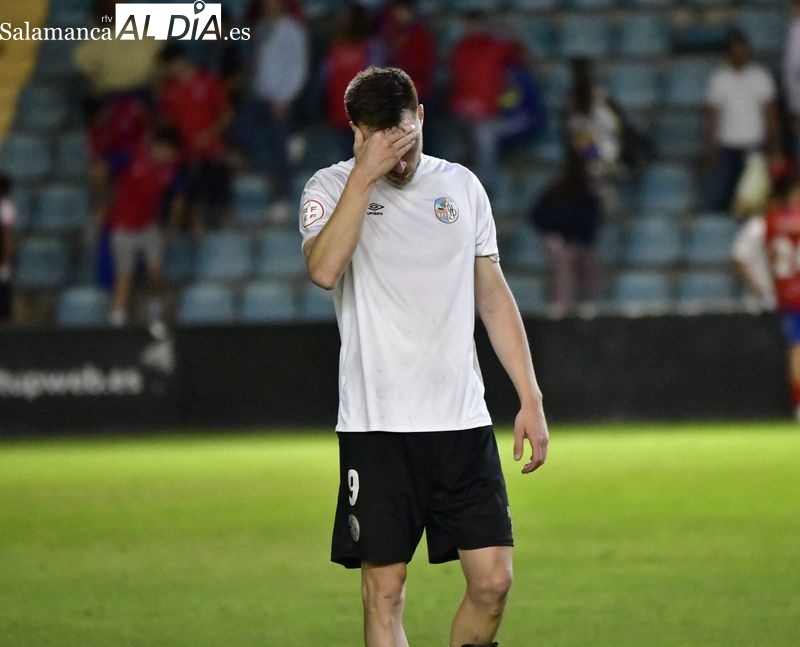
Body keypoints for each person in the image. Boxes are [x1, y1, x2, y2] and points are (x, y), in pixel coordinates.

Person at [299, 67, 549, 647]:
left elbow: (493, 295)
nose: (400, 159)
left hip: (461, 421)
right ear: (359, 134)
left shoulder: (462, 186)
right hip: (377, 426)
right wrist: (365, 175)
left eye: (406, 140)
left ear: (421, 119)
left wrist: (530, 396)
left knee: (493, 582)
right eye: (384, 143)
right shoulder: (329, 188)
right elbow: (324, 269)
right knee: (384, 591)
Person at [104, 128, 184, 328]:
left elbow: (179, 197)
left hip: (149, 225)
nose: (168, 155)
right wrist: (103, 202)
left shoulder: (171, 168)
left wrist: (172, 224)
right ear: (156, 147)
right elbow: (102, 168)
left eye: (171, 152)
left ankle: (155, 313)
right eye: (166, 151)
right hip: (123, 226)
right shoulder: (131, 157)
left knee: (155, 271)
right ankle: (117, 317)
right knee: (125, 274)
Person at [158, 44, 232, 233]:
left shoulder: (208, 81)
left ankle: (228, 222)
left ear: (180, 61)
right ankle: (190, 226)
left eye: (171, 66)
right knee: (185, 185)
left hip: (211, 149)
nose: (171, 72)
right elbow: (166, 123)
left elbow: (226, 113)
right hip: (185, 153)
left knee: (217, 177)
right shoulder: (168, 90)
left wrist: (210, 134)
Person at [705, 30, 781, 213]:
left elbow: (771, 114)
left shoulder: (760, 77)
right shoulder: (719, 79)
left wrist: (775, 147)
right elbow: (712, 116)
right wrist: (710, 146)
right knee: (719, 196)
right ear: (728, 53)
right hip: (727, 146)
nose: (739, 54)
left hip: (754, 145)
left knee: (756, 197)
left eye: (742, 50)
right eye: (735, 50)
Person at [251, 0, 310, 222]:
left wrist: (286, 97)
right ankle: (273, 197)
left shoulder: (292, 30)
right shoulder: (261, 27)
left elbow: (298, 66)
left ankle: (283, 199)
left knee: (279, 153)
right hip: (262, 98)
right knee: (267, 150)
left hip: (281, 99)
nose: (268, 6)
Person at [449, 11, 517, 196]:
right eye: (470, 25)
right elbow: (457, 80)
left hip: (487, 111)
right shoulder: (460, 49)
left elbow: (517, 55)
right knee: (468, 149)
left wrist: (507, 34)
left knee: (485, 148)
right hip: (464, 111)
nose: (473, 29)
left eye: (476, 24)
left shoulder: (496, 47)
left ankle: (483, 193)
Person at [530, 149, 602, 312]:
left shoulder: (590, 194)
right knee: (564, 261)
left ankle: (587, 306)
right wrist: (550, 236)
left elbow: (591, 225)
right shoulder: (557, 190)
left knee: (591, 265)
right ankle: (561, 306)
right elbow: (537, 215)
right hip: (560, 242)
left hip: (581, 244)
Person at [0, 174, 16, 324]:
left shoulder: (5, 207)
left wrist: (6, 259)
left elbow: (6, 236)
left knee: (3, 288)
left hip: (2, 258)